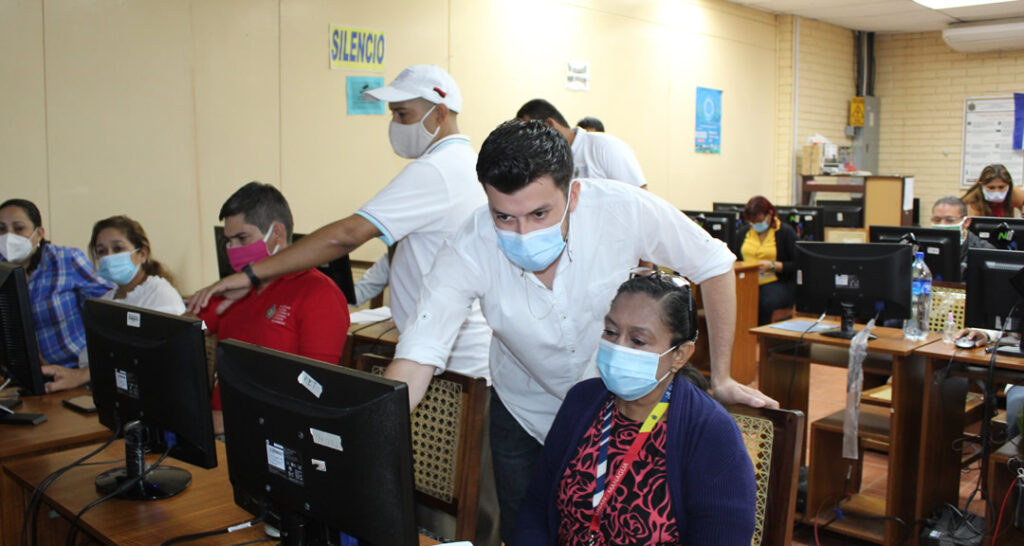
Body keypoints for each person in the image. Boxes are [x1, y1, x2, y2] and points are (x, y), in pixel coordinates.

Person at [381, 120, 776, 542]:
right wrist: (374, 429)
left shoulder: (622, 209)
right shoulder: (468, 245)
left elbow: (714, 263)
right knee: (527, 523)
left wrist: (723, 376)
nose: (523, 233)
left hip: (618, 406)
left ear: (572, 194)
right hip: (523, 406)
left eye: (539, 214)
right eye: (504, 217)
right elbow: (418, 354)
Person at [186, 66, 497, 545]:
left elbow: (345, 236)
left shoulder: (437, 171)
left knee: (437, 520)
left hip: (452, 365)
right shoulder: (453, 168)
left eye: (403, 112)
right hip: (437, 356)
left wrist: (250, 274)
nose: (395, 123)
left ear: (438, 114)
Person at [512, 272, 756, 545]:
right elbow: (536, 505)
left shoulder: (710, 433)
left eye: (638, 341)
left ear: (679, 355)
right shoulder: (582, 402)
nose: (618, 348)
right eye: (611, 332)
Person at [198, 182, 350, 430]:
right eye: (228, 241)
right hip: (218, 427)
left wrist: (234, 422)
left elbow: (315, 390)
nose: (231, 249)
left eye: (241, 238)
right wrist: (194, 323)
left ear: (277, 234)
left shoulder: (318, 293)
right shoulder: (234, 290)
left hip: (269, 429)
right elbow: (201, 326)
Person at [42, 215, 186, 392]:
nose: (109, 257)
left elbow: (155, 358)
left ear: (142, 254)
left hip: (154, 394)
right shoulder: (106, 301)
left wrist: (82, 375)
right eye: (102, 251)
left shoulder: (159, 294)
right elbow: (92, 356)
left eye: (118, 248)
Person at [0, 199, 112, 368]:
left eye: (19, 228)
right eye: (1, 229)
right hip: (21, 375)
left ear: (38, 233)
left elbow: (109, 310)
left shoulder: (66, 259)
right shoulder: (2, 269)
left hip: (75, 371)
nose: (9, 236)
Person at [517, 99, 646, 188]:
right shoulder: (547, 161)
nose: (531, 141)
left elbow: (640, 197)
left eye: (532, 132)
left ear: (550, 124)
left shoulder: (603, 146)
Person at [733, 196, 797, 325]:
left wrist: (774, 266)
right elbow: (735, 258)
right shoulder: (744, 232)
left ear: (770, 215)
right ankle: (741, 337)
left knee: (761, 300)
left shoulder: (785, 232)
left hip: (776, 282)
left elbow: (798, 265)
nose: (756, 225)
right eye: (752, 222)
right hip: (747, 281)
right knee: (734, 298)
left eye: (759, 221)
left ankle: (759, 338)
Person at [929, 195, 994, 278]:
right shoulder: (923, 247)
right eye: (937, 220)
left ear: (966, 222)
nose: (942, 224)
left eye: (950, 220)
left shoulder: (984, 250)